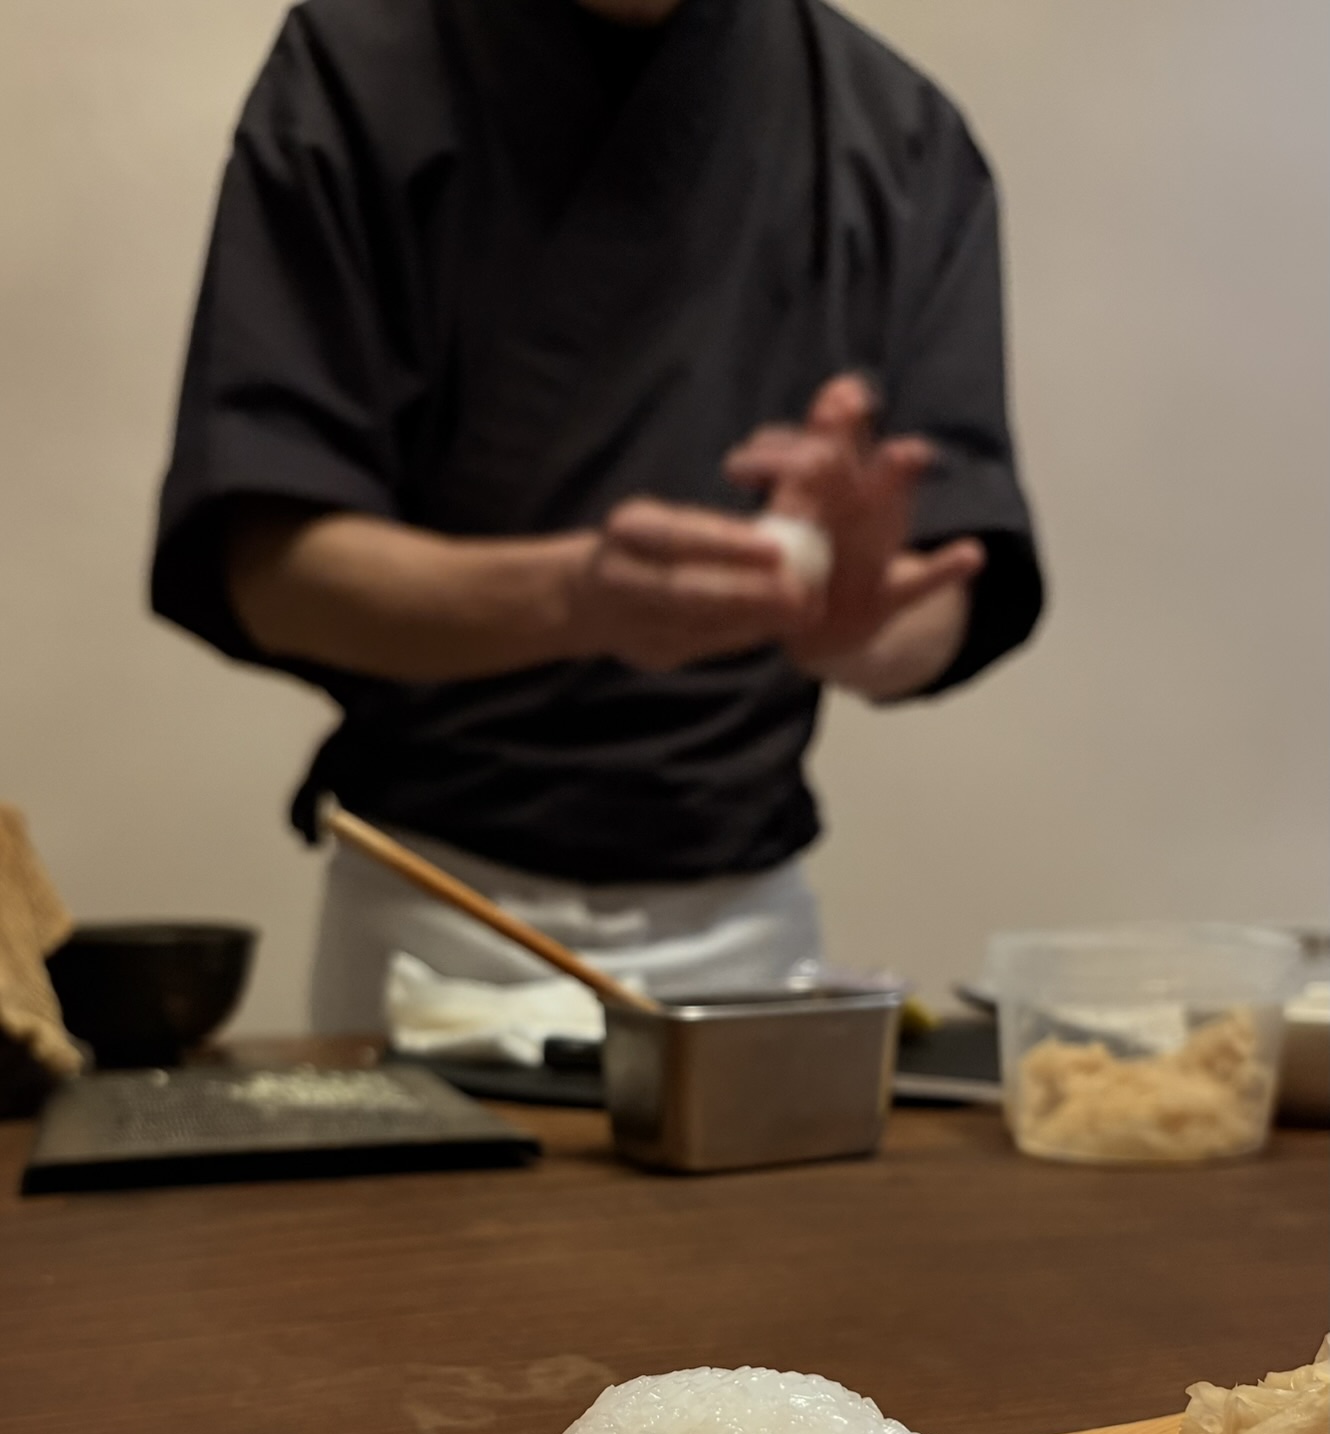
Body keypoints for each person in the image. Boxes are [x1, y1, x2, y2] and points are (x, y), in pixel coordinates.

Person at [152, 0, 1043, 1027]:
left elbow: (949, 580)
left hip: (749, 932)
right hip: (433, 916)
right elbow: (273, 568)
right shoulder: (361, 61)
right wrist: (574, 599)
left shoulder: (896, 130)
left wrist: (857, 624)